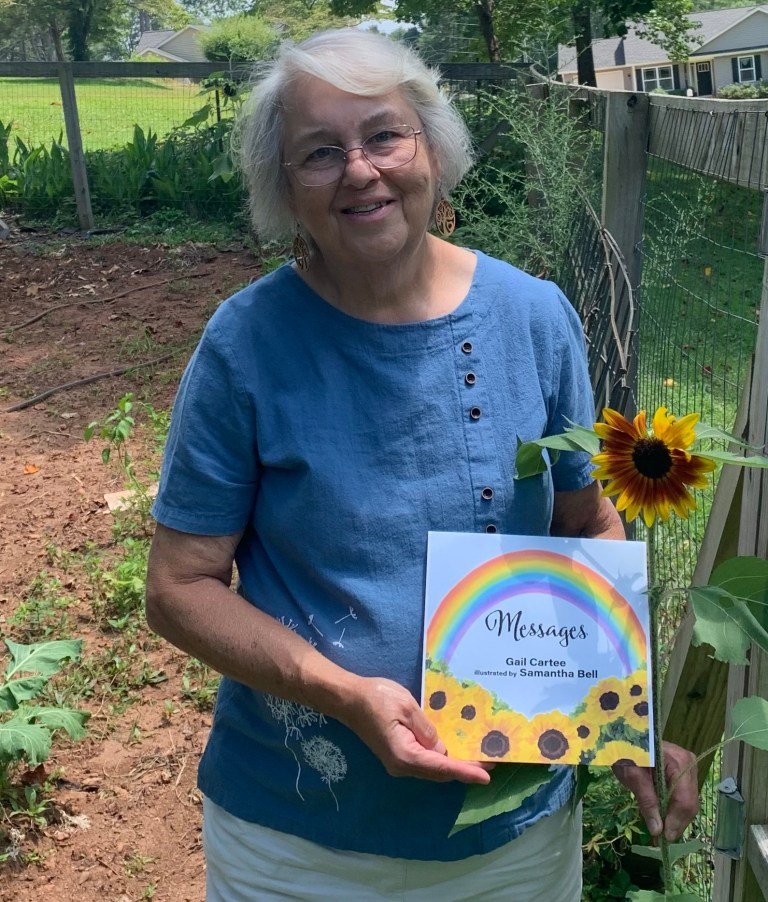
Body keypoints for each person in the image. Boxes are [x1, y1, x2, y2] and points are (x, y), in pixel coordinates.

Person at [145, 29, 698, 900]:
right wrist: (343, 694)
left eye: (384, 136)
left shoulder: (535, 317)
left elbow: (585, 522)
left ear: (433, 151)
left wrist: (623, 713)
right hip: (298, 844)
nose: (359, 170)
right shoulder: (245, 345)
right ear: (283, 187)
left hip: (512, 842)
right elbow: (179, 587)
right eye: (319, 152)